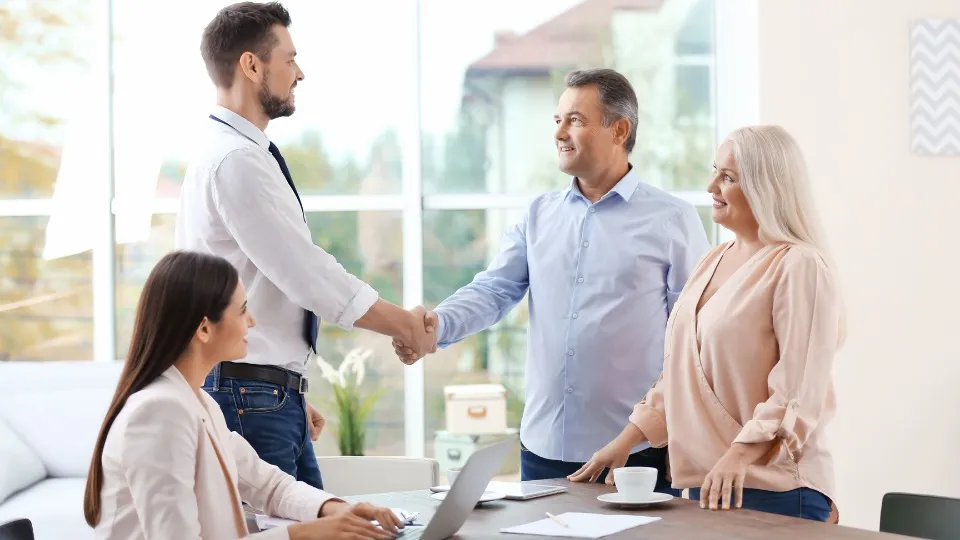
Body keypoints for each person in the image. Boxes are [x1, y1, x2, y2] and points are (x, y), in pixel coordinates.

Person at [394, 68, 709, 491]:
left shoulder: (672, 220)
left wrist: (676, 433)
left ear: (619, 129)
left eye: (575, 120)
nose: (560, 131)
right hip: (542, 449)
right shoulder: (538, 214)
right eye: (557, 120)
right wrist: (436, 325)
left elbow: (691, 341)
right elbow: (493, 289)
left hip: (635, 453)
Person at [175, 1, 435, 490]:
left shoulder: (234, 153)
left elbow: (264, 280)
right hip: (248, 394)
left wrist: (286, 387)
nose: (300, 73)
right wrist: (402, 323)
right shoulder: (235, 161)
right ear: (252, 65)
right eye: (290, 59)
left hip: (259, 391)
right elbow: (305, 272)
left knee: (316, 523)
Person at [570, 125, 843, 522]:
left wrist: (739, 455)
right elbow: (679, 378)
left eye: (728, 177)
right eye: (715, 171)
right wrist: (625, 442)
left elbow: (798, 392)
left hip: (775, 488)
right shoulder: (711, 260)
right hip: (707, 487)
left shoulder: (798, 265)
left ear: (766, 188)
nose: (710, 184)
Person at [83, 251, 405, 539]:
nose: (251, 321)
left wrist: (338, 509)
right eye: (242, 310)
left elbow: (270, 486)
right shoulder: (159, 413)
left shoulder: (198, 403)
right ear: (204, 329)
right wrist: (302, 535)